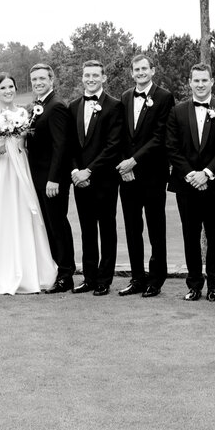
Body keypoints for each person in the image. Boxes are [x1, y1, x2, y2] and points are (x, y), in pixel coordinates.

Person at [0, 72, 58, 294]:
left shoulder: (23, 113)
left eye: (11, 87)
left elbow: (25, 143)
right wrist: (3, 148)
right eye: (3, 88)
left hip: (19, 169)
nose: (8, 91)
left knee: (21, 213)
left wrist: (16, 142)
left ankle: (28, 270)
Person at [166, 63, 215, 302]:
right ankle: (194, 284)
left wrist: (206, 173)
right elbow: (172, 147)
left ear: (212, 82)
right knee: (190, 234)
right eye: (196, 80)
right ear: (190, 82)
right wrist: (191, 175)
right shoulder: (177, 111)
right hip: (186, 185)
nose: (200, 84)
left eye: (204, 80)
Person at [116, 54, 176, 298]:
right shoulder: (125, 97)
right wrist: (125, 166)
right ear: (132, 73)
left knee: (155, 227)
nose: (140, 72)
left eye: (144, 68)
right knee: (132, 228)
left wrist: (134, 161)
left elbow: (160, 136)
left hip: (152, 173)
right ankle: (137, 278)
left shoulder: (164, 97)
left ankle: (156, 279)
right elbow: (121, 135)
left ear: (153, 70)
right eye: (136, 69)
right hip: (128, 176)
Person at [67, 60, 125, 296]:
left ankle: (104, 279)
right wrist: (75, 172)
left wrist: (89, 170)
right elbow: (69, 145)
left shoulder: (114, 106)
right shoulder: (73, 106)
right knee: (87, 229)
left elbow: (113, 146)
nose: (90, 79)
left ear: (103, 78)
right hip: (80, 180)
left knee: (107, 229)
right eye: (86, 75)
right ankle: (89, 278)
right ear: (82, 78)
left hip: (104, 180)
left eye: (95, 75)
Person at [26, 63, 75, 292]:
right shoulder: (36, 107)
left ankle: (66, 274)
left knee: (58, 224)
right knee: (47, 225)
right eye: (34, 79)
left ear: (51, 80)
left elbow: (61, 147)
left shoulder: (56, 107)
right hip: (36, 176)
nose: (38, 83)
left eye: (42, 79)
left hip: (52, 180)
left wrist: (54, 179)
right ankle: (55, 269)